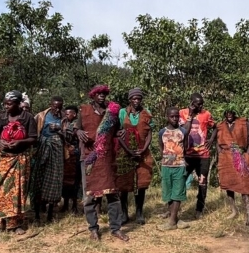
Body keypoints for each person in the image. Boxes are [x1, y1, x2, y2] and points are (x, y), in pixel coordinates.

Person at [76, 85, 128, 242]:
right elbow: (76, 128)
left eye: (104, 94)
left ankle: (115, 229)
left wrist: (121, 132)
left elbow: (118, 130)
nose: (101, 96)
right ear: (93, 96)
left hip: (107, 159)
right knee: (90, 196)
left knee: (113, 194)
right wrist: (77, 132)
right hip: (90, 157)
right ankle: (93, 229)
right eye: (98, 94)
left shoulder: (112, 112)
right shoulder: (84, 110)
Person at [0, 91, 38, 235]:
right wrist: (0, 143)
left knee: (17, 191)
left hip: (20, 158)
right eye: (5, 104)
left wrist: (20, 142)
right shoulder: (1, 118)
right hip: (2, 159)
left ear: (18, 104)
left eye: (9, 104)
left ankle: (15, 224)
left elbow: (33, 138)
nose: (6, 106)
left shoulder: (27, 118)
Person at [115, 87, 154, 225]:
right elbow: (118, 133)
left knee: (141, 184)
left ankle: (139, 213)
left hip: (142, 153)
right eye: (134, 98)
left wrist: (144, 149)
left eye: (139, 98)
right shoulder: (122, 113)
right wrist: (128, 151)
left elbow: (149, 132)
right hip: (124, 153)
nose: (136, 101)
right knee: (123, 184)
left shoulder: (146, 112)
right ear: (130, 99)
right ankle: (124, 214)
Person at [216, 109, 249, 227]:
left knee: (244, 185)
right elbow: (217, 142)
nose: (229, 115)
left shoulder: (243, 123)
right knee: (229, 184)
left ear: (234, 113)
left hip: (240, 157)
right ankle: (233, 210)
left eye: (231, 112)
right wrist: (220, 153)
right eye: (226, 113)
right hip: (226, 158)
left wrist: (247, 156)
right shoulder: (220, 126)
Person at [179, 93, 216, 219]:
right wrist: (190, 114)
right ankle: (174, 209)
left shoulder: (206, 114)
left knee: (202, 182)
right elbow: (182, 130)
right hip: (187, 155)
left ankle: (199, 209)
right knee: (180, 180)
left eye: (202, 104)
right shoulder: (182, 113)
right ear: (191, 102)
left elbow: (215, 127)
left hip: (203, 155)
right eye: (197, 103)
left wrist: (211, 139)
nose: (200, 106)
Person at [32, 96, 65, 222]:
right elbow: (34, 133)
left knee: (54, 180)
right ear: (50, 105)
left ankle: (50, 213)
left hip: (57, 151)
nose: (57, 109)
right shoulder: (40, 116)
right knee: (38, 179)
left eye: (59, 106)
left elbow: (69, 134)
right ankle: (36, 214)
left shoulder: (64, 118)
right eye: (55, 106)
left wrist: (59, 130)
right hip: (42, 150)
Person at [158, 108, 191, 230]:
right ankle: (175, 218)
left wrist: (184, 160)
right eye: (172, 116)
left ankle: (171, 222)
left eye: (177, 116)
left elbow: (185, 147)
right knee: (169, 193)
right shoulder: (162, 132)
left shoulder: (182, 131)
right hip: (166, 166)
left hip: (179, 166)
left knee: (177, 193)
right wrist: (165, 158)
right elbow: (161, 147)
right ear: (167, 117)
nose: (175, 118)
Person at [61, 105, 81, 214]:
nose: (67, 115)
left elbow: (72, 135)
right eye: (66, 113)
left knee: (75, 181)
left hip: (75, 154)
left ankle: (74, 205)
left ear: (74, 114)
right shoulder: (63, 123)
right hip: (66, 155)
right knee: (65, 181)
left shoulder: (77, 123)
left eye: (69, 113)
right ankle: (65, 204)